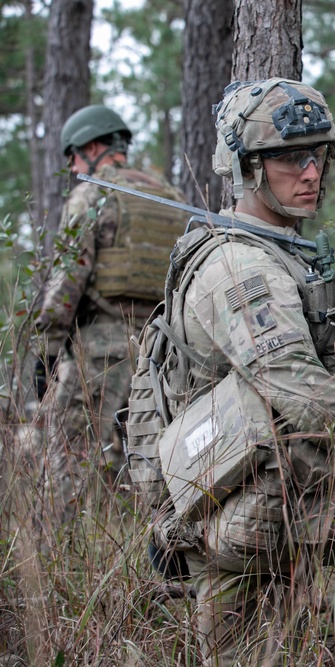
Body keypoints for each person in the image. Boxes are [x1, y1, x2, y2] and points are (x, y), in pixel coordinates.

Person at [129, 78, 335, 666]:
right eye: (290, 157)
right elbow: (290, 382)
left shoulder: (279, 250)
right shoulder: (239, 263)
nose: (310, 172)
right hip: (245, 525)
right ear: (247, 168)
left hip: (287, 517)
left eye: (318, 156)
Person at [32, 104, 189, 516]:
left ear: (94, 146)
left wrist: (45, 350)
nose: (71, 167)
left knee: (73, 454)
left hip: (103, 350)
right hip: (162, 356)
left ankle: (70, 557)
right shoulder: (170, 197)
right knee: (141, 460)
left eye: (73, 156)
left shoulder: (92, 194)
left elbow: (68, 279)